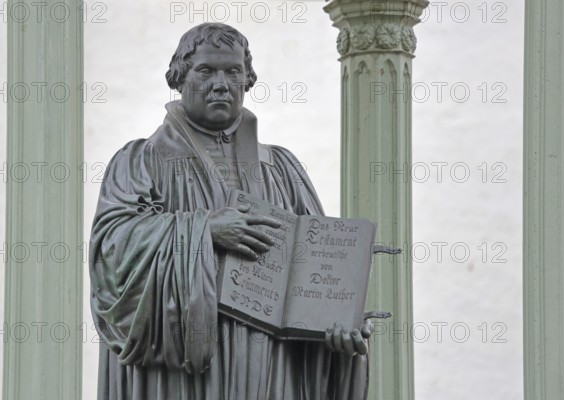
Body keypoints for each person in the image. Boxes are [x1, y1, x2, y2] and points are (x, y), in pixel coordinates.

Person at [89, 22, 371, 400]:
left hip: (272, 371)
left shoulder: (284, 169)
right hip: (183, 376)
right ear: (179, 79)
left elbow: (316, 279)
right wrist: (203, 230)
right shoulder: (142, 161)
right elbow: (111, 255)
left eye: (233, 71)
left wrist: (337, 331)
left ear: (247, 79)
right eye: (206, 71)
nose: (221, 83)